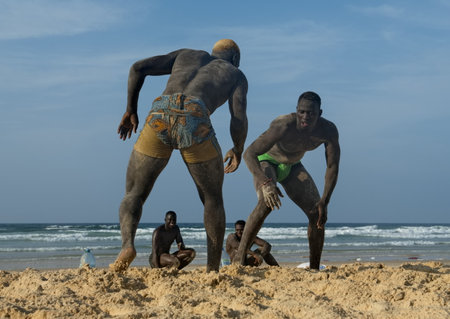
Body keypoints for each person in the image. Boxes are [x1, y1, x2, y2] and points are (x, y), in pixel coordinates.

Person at [111, 39, 248, 272]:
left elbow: (137, 68)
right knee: (212, 199)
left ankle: (127, 245)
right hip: (195, 117)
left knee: (134, 193)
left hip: (160, 113)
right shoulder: (235, 73)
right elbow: (238, 117)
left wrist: (130, 109)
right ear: (235, 59)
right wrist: (238, 148)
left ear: (213, 52)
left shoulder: (186, 54)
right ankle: (212, 268)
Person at [234, 91, 340, 270]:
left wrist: (325, 200)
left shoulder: (328, 130)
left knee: (317, 213)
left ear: (319, 113)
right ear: (297, 110)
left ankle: (314, 268)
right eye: (302, 112)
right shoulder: (283, 125)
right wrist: (266, 183)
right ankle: (239, 260)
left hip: (293, 166)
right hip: (267, 161)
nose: (306, 117)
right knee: (266, 203)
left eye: (311, 113)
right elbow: (249, 153)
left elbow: (332, 167)